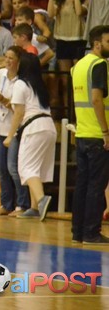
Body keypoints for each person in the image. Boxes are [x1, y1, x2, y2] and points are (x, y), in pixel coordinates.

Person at [4, 52, 56, 221]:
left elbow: (19, 113)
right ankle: (34, 207)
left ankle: (41, 200)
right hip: (49, 127)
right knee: (37, 168)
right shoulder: (39, 85)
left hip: (34, 128)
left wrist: (10, 136)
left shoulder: (20, 83)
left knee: (26, 168)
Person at [70, 25, 109, 244]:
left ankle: (78, 232)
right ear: (97, 44)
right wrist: (105, 132)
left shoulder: (78, 66)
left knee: (82, 185)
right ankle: (91, 232)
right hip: (97, 134)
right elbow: (96, 99)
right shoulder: (99, 64)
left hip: (82, 132)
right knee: (96, 185)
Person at [0, 46, 30, 216]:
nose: (7, 61)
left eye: (11, 58)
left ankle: (22, 204)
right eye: (6, 57)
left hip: (15, 127)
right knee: (1, 168)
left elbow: (19, 108)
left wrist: (4, 99)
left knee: (13, 167)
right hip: (0, 125)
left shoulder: (23, 81)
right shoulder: (1, 74)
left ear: (19, 61)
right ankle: (6, 204)